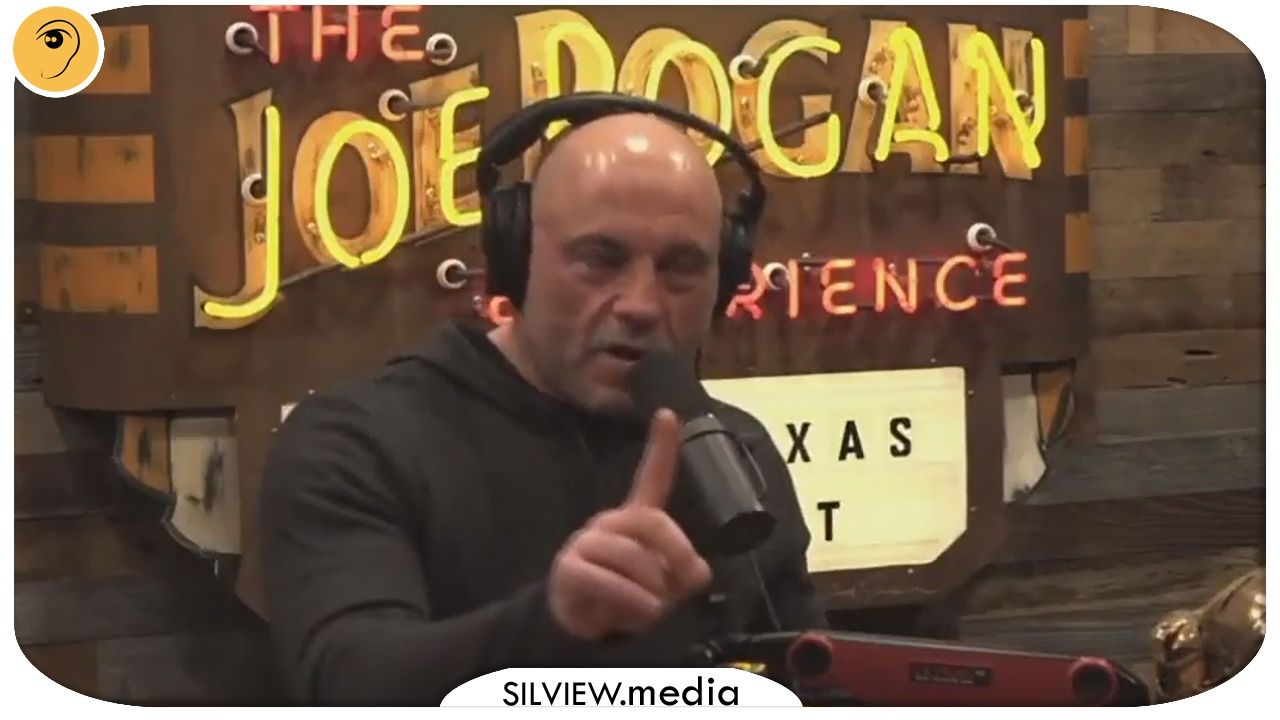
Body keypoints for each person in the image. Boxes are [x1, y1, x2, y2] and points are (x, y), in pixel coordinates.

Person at [258, 100, 826, 706]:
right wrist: (555, 623)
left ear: (725, 280)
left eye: (680, 268)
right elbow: (350, 684)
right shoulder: (356, 443)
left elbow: (812, 681)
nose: (640, 303)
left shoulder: (737, 455)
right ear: (517, 259)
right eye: (600, 259)